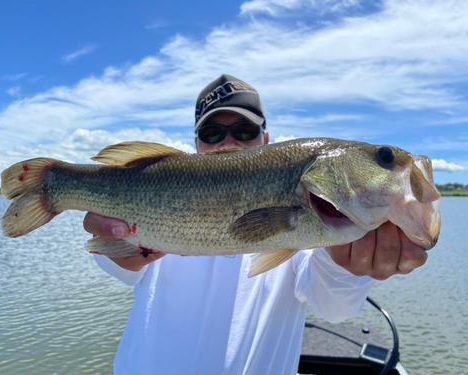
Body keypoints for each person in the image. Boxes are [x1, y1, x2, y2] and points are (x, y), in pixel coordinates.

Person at [84, 75, 428, 375]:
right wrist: (119, 247)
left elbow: (334, 308)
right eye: (213, 132)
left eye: (245, 131)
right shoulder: (161, 190)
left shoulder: (318, 229)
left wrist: (352, 267)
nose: (229, 142)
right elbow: (115, 262)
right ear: (196, 144)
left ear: (266, 140)